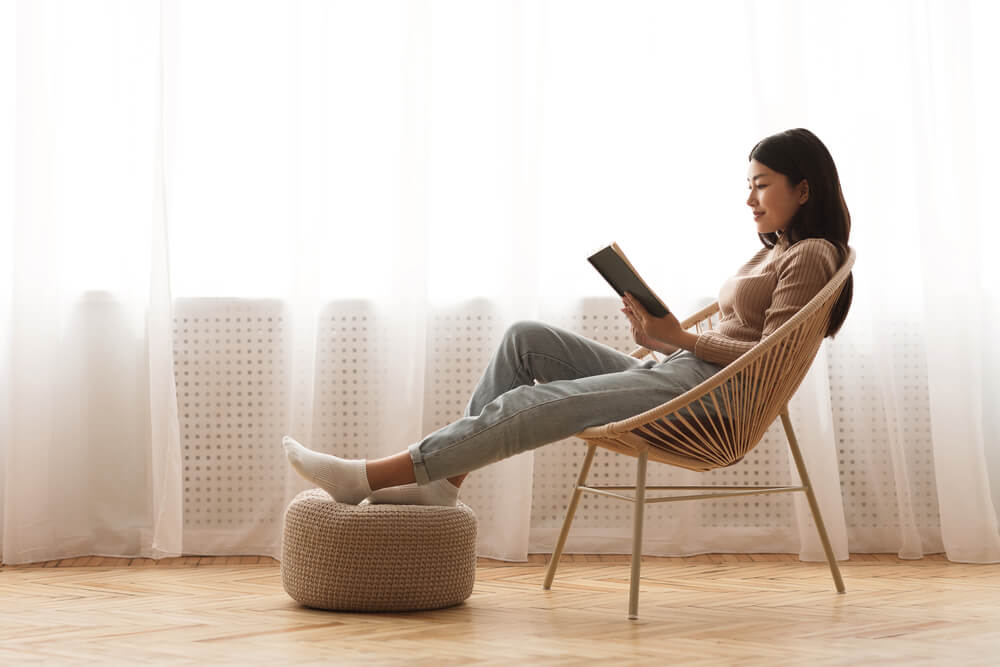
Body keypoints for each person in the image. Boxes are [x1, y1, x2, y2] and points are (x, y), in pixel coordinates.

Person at [283, 127, 853, 507]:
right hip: (683, 373)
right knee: (525, 339)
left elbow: (770, 354)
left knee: (527, 403)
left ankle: (366, 477)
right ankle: (442, 485)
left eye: (760, 185)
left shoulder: (811, 254)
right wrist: (661, 338)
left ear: (803, 188)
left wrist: (677, 337)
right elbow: (735, 336)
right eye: (747, 187)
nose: (750, 200)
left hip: (715, 400)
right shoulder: (773, 249)